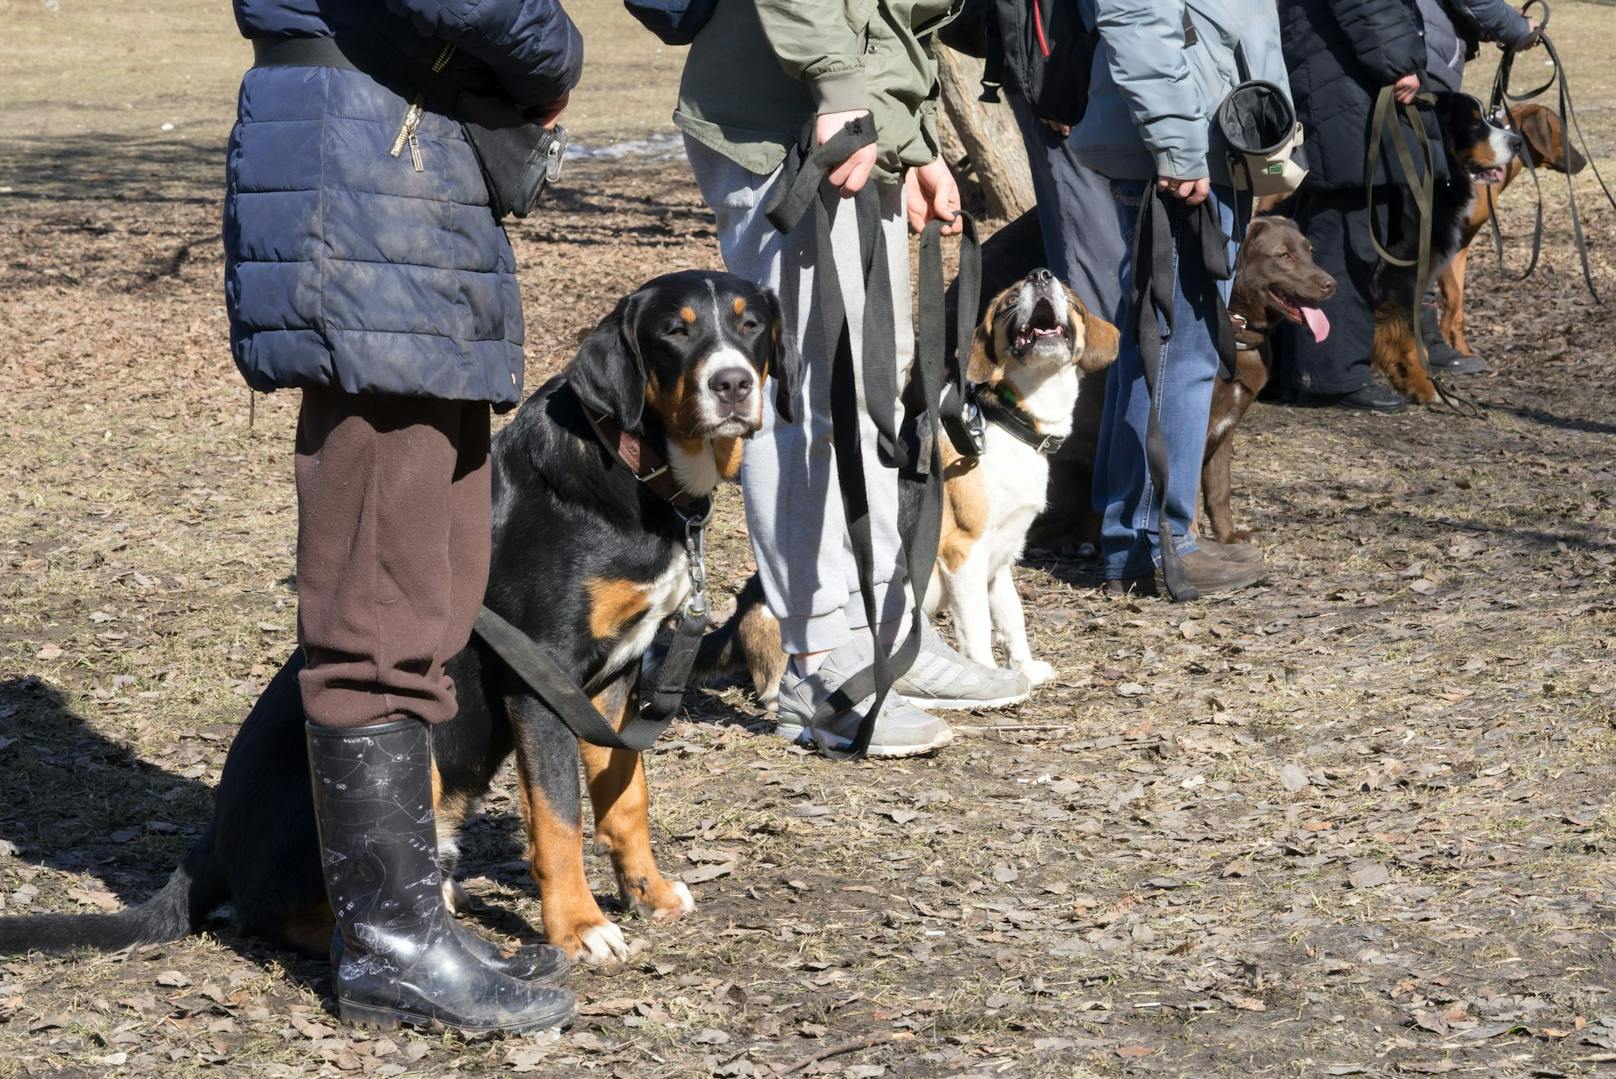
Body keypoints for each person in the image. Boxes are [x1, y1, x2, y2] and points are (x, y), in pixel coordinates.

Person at [223, 0, 582, 1035]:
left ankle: (404, 919)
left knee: (432, 580)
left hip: (390, 152)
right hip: (372, 156)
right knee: (382, 599)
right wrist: (556, 49)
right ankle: (389, 949)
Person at [675, 0, 1033, 760]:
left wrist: (916, 141)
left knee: (871, 384)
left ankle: (887, 626)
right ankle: (814, 660)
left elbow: (895, 18)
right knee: (809, 392)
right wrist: (839, 89)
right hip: (788, 122)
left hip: (855, 120)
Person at [1073, 0, 1289, 596]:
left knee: (1154, 344)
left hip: (1212, 143)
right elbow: (1135, 17)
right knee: (1179, 349)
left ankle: (1136, 538)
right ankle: (1154, 543)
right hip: (1188, 151)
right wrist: (1177, 143)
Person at [1273, 0, 1453, 412]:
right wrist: (1400, 63)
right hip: (1346, 93)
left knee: (1332, 231)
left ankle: (1304, 370)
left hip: (1337, 87)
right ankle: (1331, 375)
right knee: (1345, 239)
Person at [1416, 0, 1540, 373]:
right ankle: (1420, 341)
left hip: (1423, 51)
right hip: (1420, 61)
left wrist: (1484, 26)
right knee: (1421, 216)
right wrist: (1515, 29)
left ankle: (1421, 337)